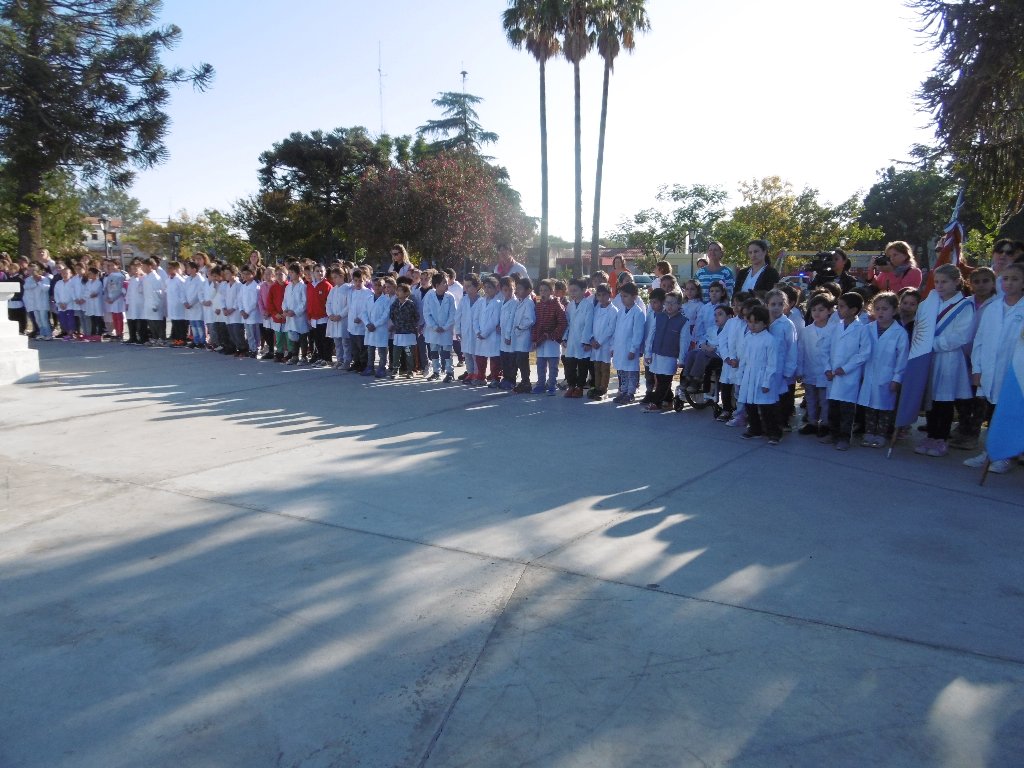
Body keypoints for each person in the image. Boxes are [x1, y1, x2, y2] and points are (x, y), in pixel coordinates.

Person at [963, 262, 1024, 472]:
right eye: (1005, 279)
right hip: (990, 369)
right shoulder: (993, 307)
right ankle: (989, 451)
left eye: (1015, 279)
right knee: (991, 412)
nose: (1009, 283)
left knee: (1008, 412)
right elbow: (980, 340)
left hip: (1015, 373)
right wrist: (977, 368)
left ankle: (1005, 455)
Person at [915, 264, 974, 458]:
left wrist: (933, 344)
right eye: (937, 281)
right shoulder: (929, 302)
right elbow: (920, 326)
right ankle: (931, 435)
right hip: (928, 358)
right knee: (931, 399)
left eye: (944, 282)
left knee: (945, 400)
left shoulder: (964, 306)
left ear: (957, 282)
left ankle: (942, 438)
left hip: (949, 358)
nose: (939, 286)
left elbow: (961, 335)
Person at [949, 267, 1000, 450]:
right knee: (962, 395)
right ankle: (963, 426)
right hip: (963, 355)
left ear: (994, 283)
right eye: (976, 281)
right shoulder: (965, 303)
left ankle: (973, 433)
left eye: (985, 281)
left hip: (985, 358)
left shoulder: (998, 304)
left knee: (980, 398)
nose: (981, 285)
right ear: (970, 283)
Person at [857, 292, 908, 447]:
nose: (880, 312)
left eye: (885, 309)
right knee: (870, 407)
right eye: (877, 308)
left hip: (887, 376)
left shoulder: (900, 333)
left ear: (894, 311)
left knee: (884, 408)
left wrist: (897, 379)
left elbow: (902, 359)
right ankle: (869, 433)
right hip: (869, 375)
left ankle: (881, 435)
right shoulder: (867, 329)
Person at [821, 292, 870, 451]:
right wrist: (827, 368)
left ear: (854, 310)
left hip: (849, 377)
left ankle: (844, 438)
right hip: (833, 376)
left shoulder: (862, 330)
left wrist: (847, 368)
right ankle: (833, 433)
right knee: (833, 408)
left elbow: (864, 353)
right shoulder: (835, 328)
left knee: (847, 411)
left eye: (842, 307)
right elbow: (825, 349)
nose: (838, 310)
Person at [737, 305, 783, 444]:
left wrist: (766, 382)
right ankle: (755, 429)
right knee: (749, 404)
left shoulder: (770, 340)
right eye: (750, 322)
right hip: (749, 376)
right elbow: (743, 359)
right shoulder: (748, 337)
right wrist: (740, 377)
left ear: (765, 323)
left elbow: (772, 364)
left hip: (762, 376)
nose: (752, 325)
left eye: (756, 322)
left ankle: (774, 433)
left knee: (766, 407)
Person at [642, 290, 688, 412]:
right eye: (667, 303)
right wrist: (648, 353)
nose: (670, 306)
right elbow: (651, 336)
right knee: (659, 378)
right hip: (656, 353)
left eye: (673, 303)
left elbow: (684, 342)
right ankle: (668, 400)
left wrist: (682, 359)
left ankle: (655, 403)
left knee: (665, 380)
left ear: (679, 305)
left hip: (670, 356)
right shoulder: (658, 317)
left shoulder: (683, 321)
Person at [796, 293, 833, 436]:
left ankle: (825, 424)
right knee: (811, 399)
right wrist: (799, 370)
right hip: (809, 370)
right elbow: (801, 351)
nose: (817, 313)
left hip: (826, 372)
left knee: (825, 400)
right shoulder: (806, 331)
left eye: (821, 309)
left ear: (829, 311)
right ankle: (812, 422)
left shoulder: (834, 329)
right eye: (814, 310)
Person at [766, 288, 798, 429]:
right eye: (773, 304)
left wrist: (789, 370)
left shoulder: (787, 325)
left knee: (783, 397)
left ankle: (783, 423)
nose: (776, 308)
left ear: (785, 306)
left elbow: (792, 348)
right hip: (767, 367)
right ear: (767, 305)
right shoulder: (764, 322)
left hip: (783, 368)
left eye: (780, 304)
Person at [717, 292, 752, 423]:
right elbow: (722, 340)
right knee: (725, 386)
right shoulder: (730, 322)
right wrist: (727, 357)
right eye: (734, 304)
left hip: (741, 363)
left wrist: (739, 360)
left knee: (740, 389)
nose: (737, 307)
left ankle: (741, 413)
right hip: (729, 362)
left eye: (740, 304)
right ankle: (726, 409)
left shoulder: (749, 324)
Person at [611, 282, 646, 404]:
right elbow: (616, 330)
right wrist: (613, 346)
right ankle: (623, 391)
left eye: (625, 296)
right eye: (621, 296)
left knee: (631, 371)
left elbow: (638, 334)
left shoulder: (638, 313)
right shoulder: (620, 312)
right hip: (620, 347)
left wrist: (633, 349)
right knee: (622, 371)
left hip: (630, 349)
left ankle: (630, 393)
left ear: (634, 297)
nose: (622, 299)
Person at [531, 279, 567, 395]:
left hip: (552, 341)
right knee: (540, 364)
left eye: (545, 290)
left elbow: (562, 322)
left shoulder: (556, 304)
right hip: (541, 341)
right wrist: (535, 339)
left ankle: (552, 385)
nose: (543, 293)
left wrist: (553, 335)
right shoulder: (538, 305)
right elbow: (535, 324)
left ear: (551, 292)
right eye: (541, 290)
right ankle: (541, 384)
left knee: (553, 366)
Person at [421, 271, 458, 382]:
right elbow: (426, 313)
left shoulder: (450, 297)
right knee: (434, 351)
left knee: (447, 352)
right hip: (433, 330)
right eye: (444, 283)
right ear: (436, 286)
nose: (447, 285)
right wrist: (434, 326)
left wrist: (445, 327)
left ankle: (449, 372)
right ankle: (436, 372)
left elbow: (453, 314)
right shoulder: (429, 295)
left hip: (445, 330)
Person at [562, 278, 594, 398]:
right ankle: (571, 386)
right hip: (571, 340)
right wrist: (564, 338)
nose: (572, 293)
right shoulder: (570, 306)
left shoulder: (588, 306)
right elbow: (568, 323)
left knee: (582, 366)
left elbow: (588, 324)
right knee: (569, 365)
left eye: (575, 290)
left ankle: (579, 387)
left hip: (582, 342)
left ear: (584, 290)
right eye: (570, 291)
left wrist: (586, 342)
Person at [588, 284, 617, 400]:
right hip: (595, 344)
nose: (601, 298)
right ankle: (596, 387)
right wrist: (592, 339)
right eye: (598, 295)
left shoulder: (613, 310)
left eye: (604, 295)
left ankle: (603, 389)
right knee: (596, 367)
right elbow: (591, 324)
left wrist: (600, 341)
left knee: (604, 367)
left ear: (609, 295)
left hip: (605, 344)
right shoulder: (596, 308)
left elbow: (610, 329)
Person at [473, 275, 502, 386]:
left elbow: (494, 321)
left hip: (492, 336)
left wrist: (484, 333)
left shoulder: (498, 303)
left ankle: (495, 378)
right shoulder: (480, 302)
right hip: (480, 335)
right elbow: (475, 318)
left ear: (496, 289)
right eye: (485, 287)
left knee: (494, 358)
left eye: (490, 287)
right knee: (480, 357)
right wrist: (477, 331)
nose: (487, 290)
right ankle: (481, 377)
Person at [363, 277, 395, 377]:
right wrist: (367, 323)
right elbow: (363, 312)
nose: (377, 287)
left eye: (379, 285)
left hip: (380, 329)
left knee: (382, 350)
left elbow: (386, 315)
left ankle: (382, 368)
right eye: (375, 285)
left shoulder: (386, 300)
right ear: (372, 286)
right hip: (369, 328)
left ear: (383, 287)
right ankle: (370, 367)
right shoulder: (368, 299)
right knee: (370, 349)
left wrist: (375, 324)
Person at [509, 277, 537, 393]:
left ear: (528, 290)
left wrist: (520, 327)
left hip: (524, 336)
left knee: (522, 360)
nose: (516, 291)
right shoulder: (520, 302)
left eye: (520, 289)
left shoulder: (529, 303)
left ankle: (526, 382)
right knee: (519, 360)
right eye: (517, 288)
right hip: (519, 336)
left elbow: (530, 319)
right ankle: (524, 381)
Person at [389, 282, 420, 378]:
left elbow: (416, 317)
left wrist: (409, 326)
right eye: (397, 290)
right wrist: (397, 325)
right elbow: (392, 315)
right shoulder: (395, 304)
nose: (397, 292)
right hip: (398, 333)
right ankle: (395, 370)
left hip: (408, 334)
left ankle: (410, 370)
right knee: (396, 353)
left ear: (406, 293)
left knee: (408, 353)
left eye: (400, 291)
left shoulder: (410, 304)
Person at [346, 268, 374, 373]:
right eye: (356, 280)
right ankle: (356, 362)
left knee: (362, 345)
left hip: (362, 324)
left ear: (365, 280)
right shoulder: (351, 292)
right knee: (354, 346)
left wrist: (361, 318)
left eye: (360, 281)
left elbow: (367, 308)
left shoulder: (368, 293)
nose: (358, 283)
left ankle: (363, 363)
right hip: (352, 323)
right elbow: (350, 306)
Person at [282, 263, 309, 365]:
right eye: (289, 272)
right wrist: (285, 310)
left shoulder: (303, 286)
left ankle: (304, 357)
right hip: (290, 316)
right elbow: (285, 300)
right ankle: (294, 356)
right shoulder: (288, 287)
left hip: (299, 317)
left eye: (292, 272)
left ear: (299, 274)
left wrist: (295, 311)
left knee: (302, 337)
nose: (290, 274)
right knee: (293, 337)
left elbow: (304, 302)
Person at [456, 274, 481, 383]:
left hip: (477, 333)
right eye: (464, 285)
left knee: (476, 354)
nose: (465, 288)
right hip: (465, 332)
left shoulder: (482, 301)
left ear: (476, 287)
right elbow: (458, 316)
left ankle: (477, 373)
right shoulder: (463, 300)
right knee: (467, 354)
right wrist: (458, 330)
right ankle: (470, 373)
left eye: (469, 286)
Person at [306, 264, 332, 365]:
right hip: (313, 318)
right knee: (317, 340)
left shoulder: (327, 285)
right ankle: (320, 357)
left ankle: (327, 358)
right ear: (313, 273)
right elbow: (309, 302)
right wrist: (309, 315)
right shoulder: (310, 285)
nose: (319, 273)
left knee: (325, 339)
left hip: (324, 317)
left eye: (321, 271)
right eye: (317, 271)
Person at [325, 267, 351, 369]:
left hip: (343, 319)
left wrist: (340, 315)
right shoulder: (333, 289)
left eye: (335, 277)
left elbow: (348, 305)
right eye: (332, 278)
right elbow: (328, 303)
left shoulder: (348, 288)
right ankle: (339, 360)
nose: (333, 280)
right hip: (333, 320)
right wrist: (330, 314)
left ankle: (347, 360)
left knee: (345, 341)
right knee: (337, 342)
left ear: (341, 276)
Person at [497, 276, 519, 390]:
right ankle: (505, 378)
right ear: (501, 290)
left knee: (511, 359)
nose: (508, 292)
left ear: (514, 288)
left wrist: (508, 335)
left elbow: (511, 320)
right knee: (504, 358)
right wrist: (498, 325)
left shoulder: (515, 303)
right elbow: (502, 317)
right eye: (505, 290)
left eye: (511, 289)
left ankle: (511, 380)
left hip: (510, 336)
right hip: (502, 336)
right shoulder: (502, 302)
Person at [239, 266, 264, 358]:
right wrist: (241, 310)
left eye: (247, 274)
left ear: (253, 275)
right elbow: (240, 299)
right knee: (249, 333)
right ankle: (251, 348)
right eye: (243, 274)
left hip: (252, 314)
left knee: (254, 333)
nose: (244, 276)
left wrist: (247, 312)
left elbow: (255, 301)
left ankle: (256, 349)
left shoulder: (256, 286)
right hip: (244, 314)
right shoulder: (243, 286)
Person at [23, 263, 52, 340]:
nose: (31, 272)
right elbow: (26, 287)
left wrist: (39, 282)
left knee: (44, 319)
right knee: (38, 320)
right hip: (34, 303)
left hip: (42, 303)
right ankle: (42, 333)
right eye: (30, 270)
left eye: (33, 270)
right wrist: (35, 283)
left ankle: (48, 334)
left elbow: (45, 289)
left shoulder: (44, 279)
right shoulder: (28, 279)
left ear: (37, 270)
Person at [140, 258, 165, 347]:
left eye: (144, 266)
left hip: (155, 303)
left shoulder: (156, 277)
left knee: (157, 322)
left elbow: (159, 292)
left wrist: (156, 304)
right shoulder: (146, 277)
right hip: (148, 303)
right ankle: (154, 338)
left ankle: (161, 339)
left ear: (150, 266)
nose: (142, 268)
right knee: (151, 322)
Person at [221, 265, 245, 357]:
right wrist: (224, 308)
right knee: (231, 332)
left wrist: (232, 309)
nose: (226, 275)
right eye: (225, 273)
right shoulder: (226, 285)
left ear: (234, 274)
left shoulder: (239, 285)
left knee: (237, 331)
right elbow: (222, 298)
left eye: (228, 273)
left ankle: (243, 348)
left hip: (236, 313)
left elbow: (239, 299)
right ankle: (236, 347)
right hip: (227, 313)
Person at [182, 260, 206, 349]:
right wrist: (184, 301)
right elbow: (183, 292)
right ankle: (195, 341)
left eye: (188, 268)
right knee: (193, 325)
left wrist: (191, 303)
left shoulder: (200, 279)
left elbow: (199, 293)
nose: (187, 269)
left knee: (199, 324)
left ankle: (202, 341)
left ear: (194, 269)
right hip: (188, 306)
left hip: (197, 306)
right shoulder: (187, 279)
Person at [164, 261, 188, 347]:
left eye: (170, 268)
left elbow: (183, 293)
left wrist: (183, 302)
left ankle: (182, 340)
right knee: (175, 323)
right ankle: (177, 340)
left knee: (180, 323)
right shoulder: (168, 280)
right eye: (168, 268)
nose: (168, 270)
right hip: (172, 305)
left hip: (179, 306)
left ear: (175, 269)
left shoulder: (180, 280)